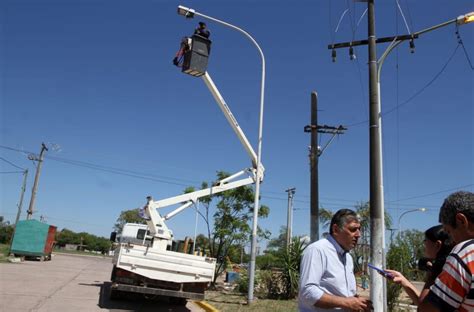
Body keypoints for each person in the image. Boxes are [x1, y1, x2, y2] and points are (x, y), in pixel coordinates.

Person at [298, 209, 373, 312]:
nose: (358, 234)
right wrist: (347, 303)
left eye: (359, 229)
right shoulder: (317, 250)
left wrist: (357, 302)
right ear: (336, 229)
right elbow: (307, 292)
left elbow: (343, 293)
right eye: (353, 229)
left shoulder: (348, 258)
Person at [418, 191, 474, 312]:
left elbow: (427, 309)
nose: (451, 241)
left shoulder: (466, 253)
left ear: (461, 220)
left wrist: (434, 272)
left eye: (449, 231)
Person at [384, 225, 454, 305]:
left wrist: (432, 273)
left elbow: (424, 308)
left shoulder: (443, 273)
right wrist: (402, 280)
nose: (424, 245)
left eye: (425, 241)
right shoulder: (450, 267)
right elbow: (425, 303)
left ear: (437, 245)